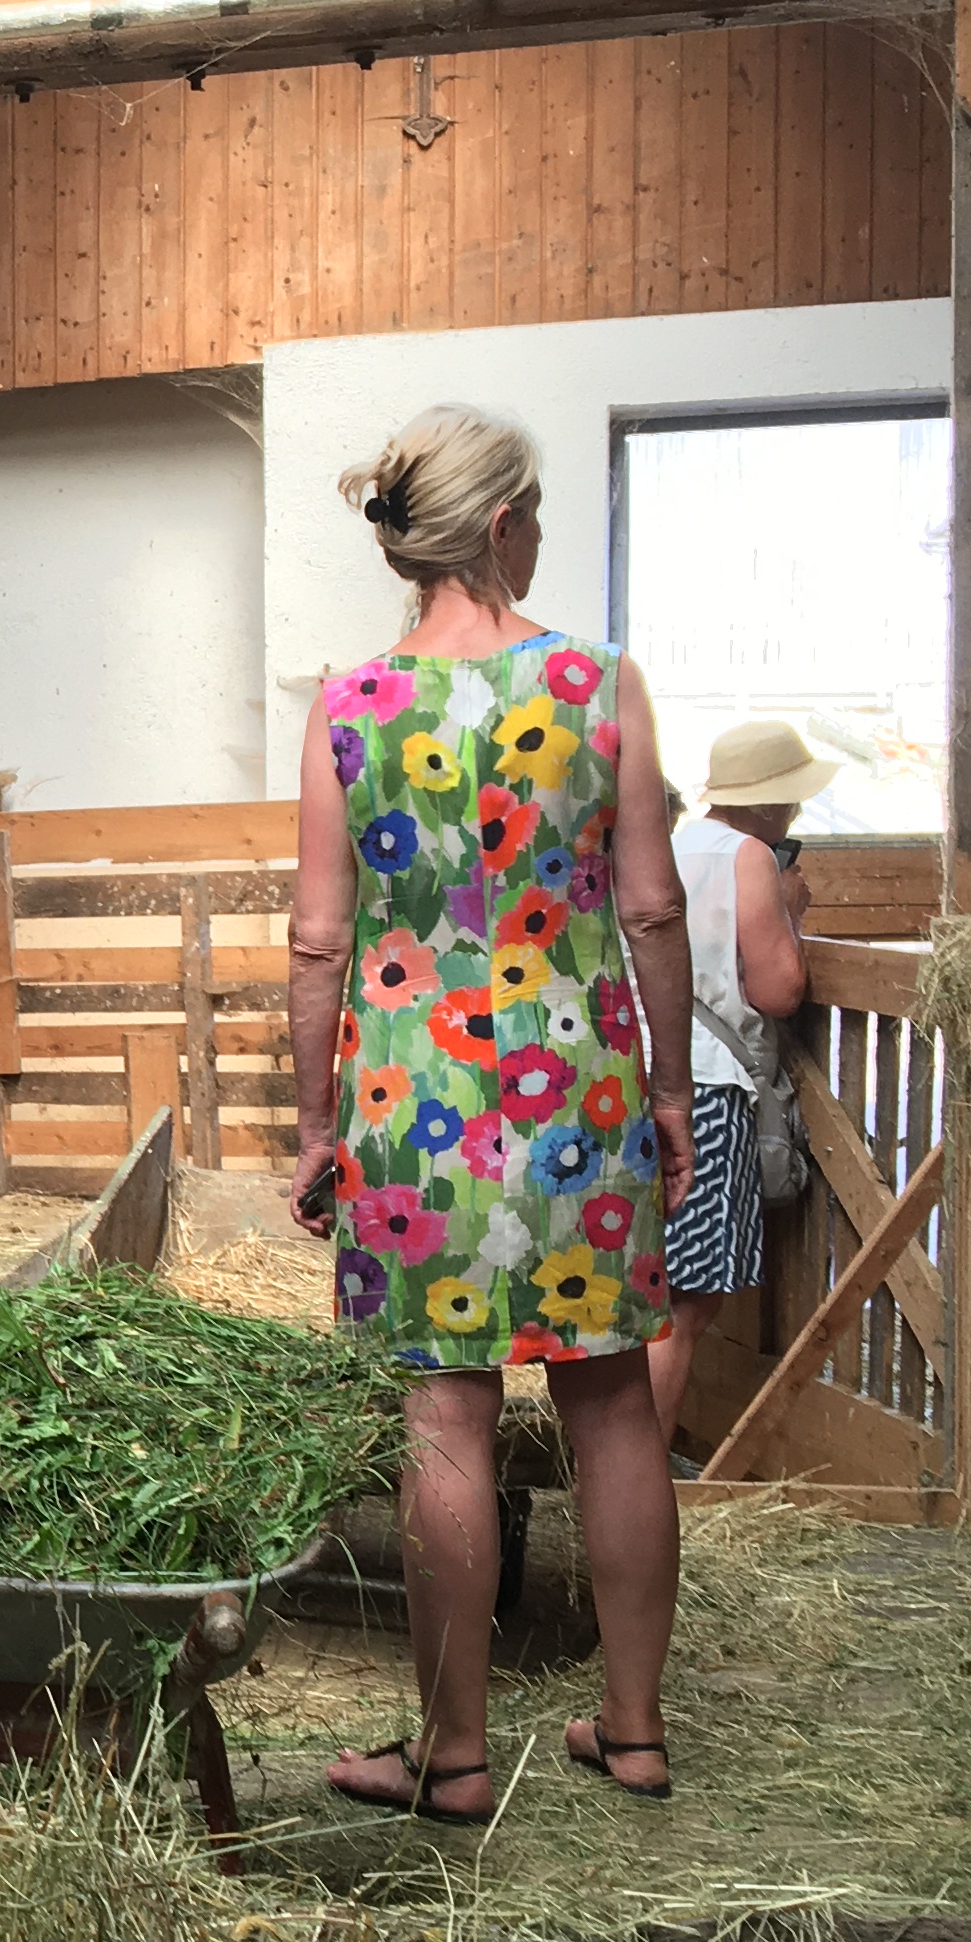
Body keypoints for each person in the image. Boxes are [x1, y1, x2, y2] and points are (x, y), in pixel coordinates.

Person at [286, 407, 695, 1821]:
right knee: (614, 1413)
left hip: (415, 1113)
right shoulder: (598, 685)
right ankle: (632, 1732)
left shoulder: (350, 710)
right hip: (576, 1094)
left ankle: (452, 1757)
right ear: (508, 525)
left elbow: (316, 944)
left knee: (446, 1421)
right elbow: (650, 903)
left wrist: (315, 1127)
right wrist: (670, 1088)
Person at [645, 720, 829, 1438]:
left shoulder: (663, 845)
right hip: (707, 1088)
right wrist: (791, 910)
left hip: (633, 1074)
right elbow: (779, 989)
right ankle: (642, 1478)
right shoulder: (745, 855)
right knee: (684, 1302)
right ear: (777, 803)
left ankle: (602, 1470)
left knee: (639, 1293)